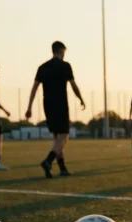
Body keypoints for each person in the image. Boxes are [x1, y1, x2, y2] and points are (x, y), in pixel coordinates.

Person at [26, 41, 86, 178]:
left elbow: (34, 88)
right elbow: (73, 85)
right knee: (64, 136)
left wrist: (29, 107)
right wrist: (81, 99)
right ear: (61, 50)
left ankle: (62, 168)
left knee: (57, 137)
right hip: (60, 103)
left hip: (47, 104)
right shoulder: (65, 66)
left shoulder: (42, 67)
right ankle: (48, 161)